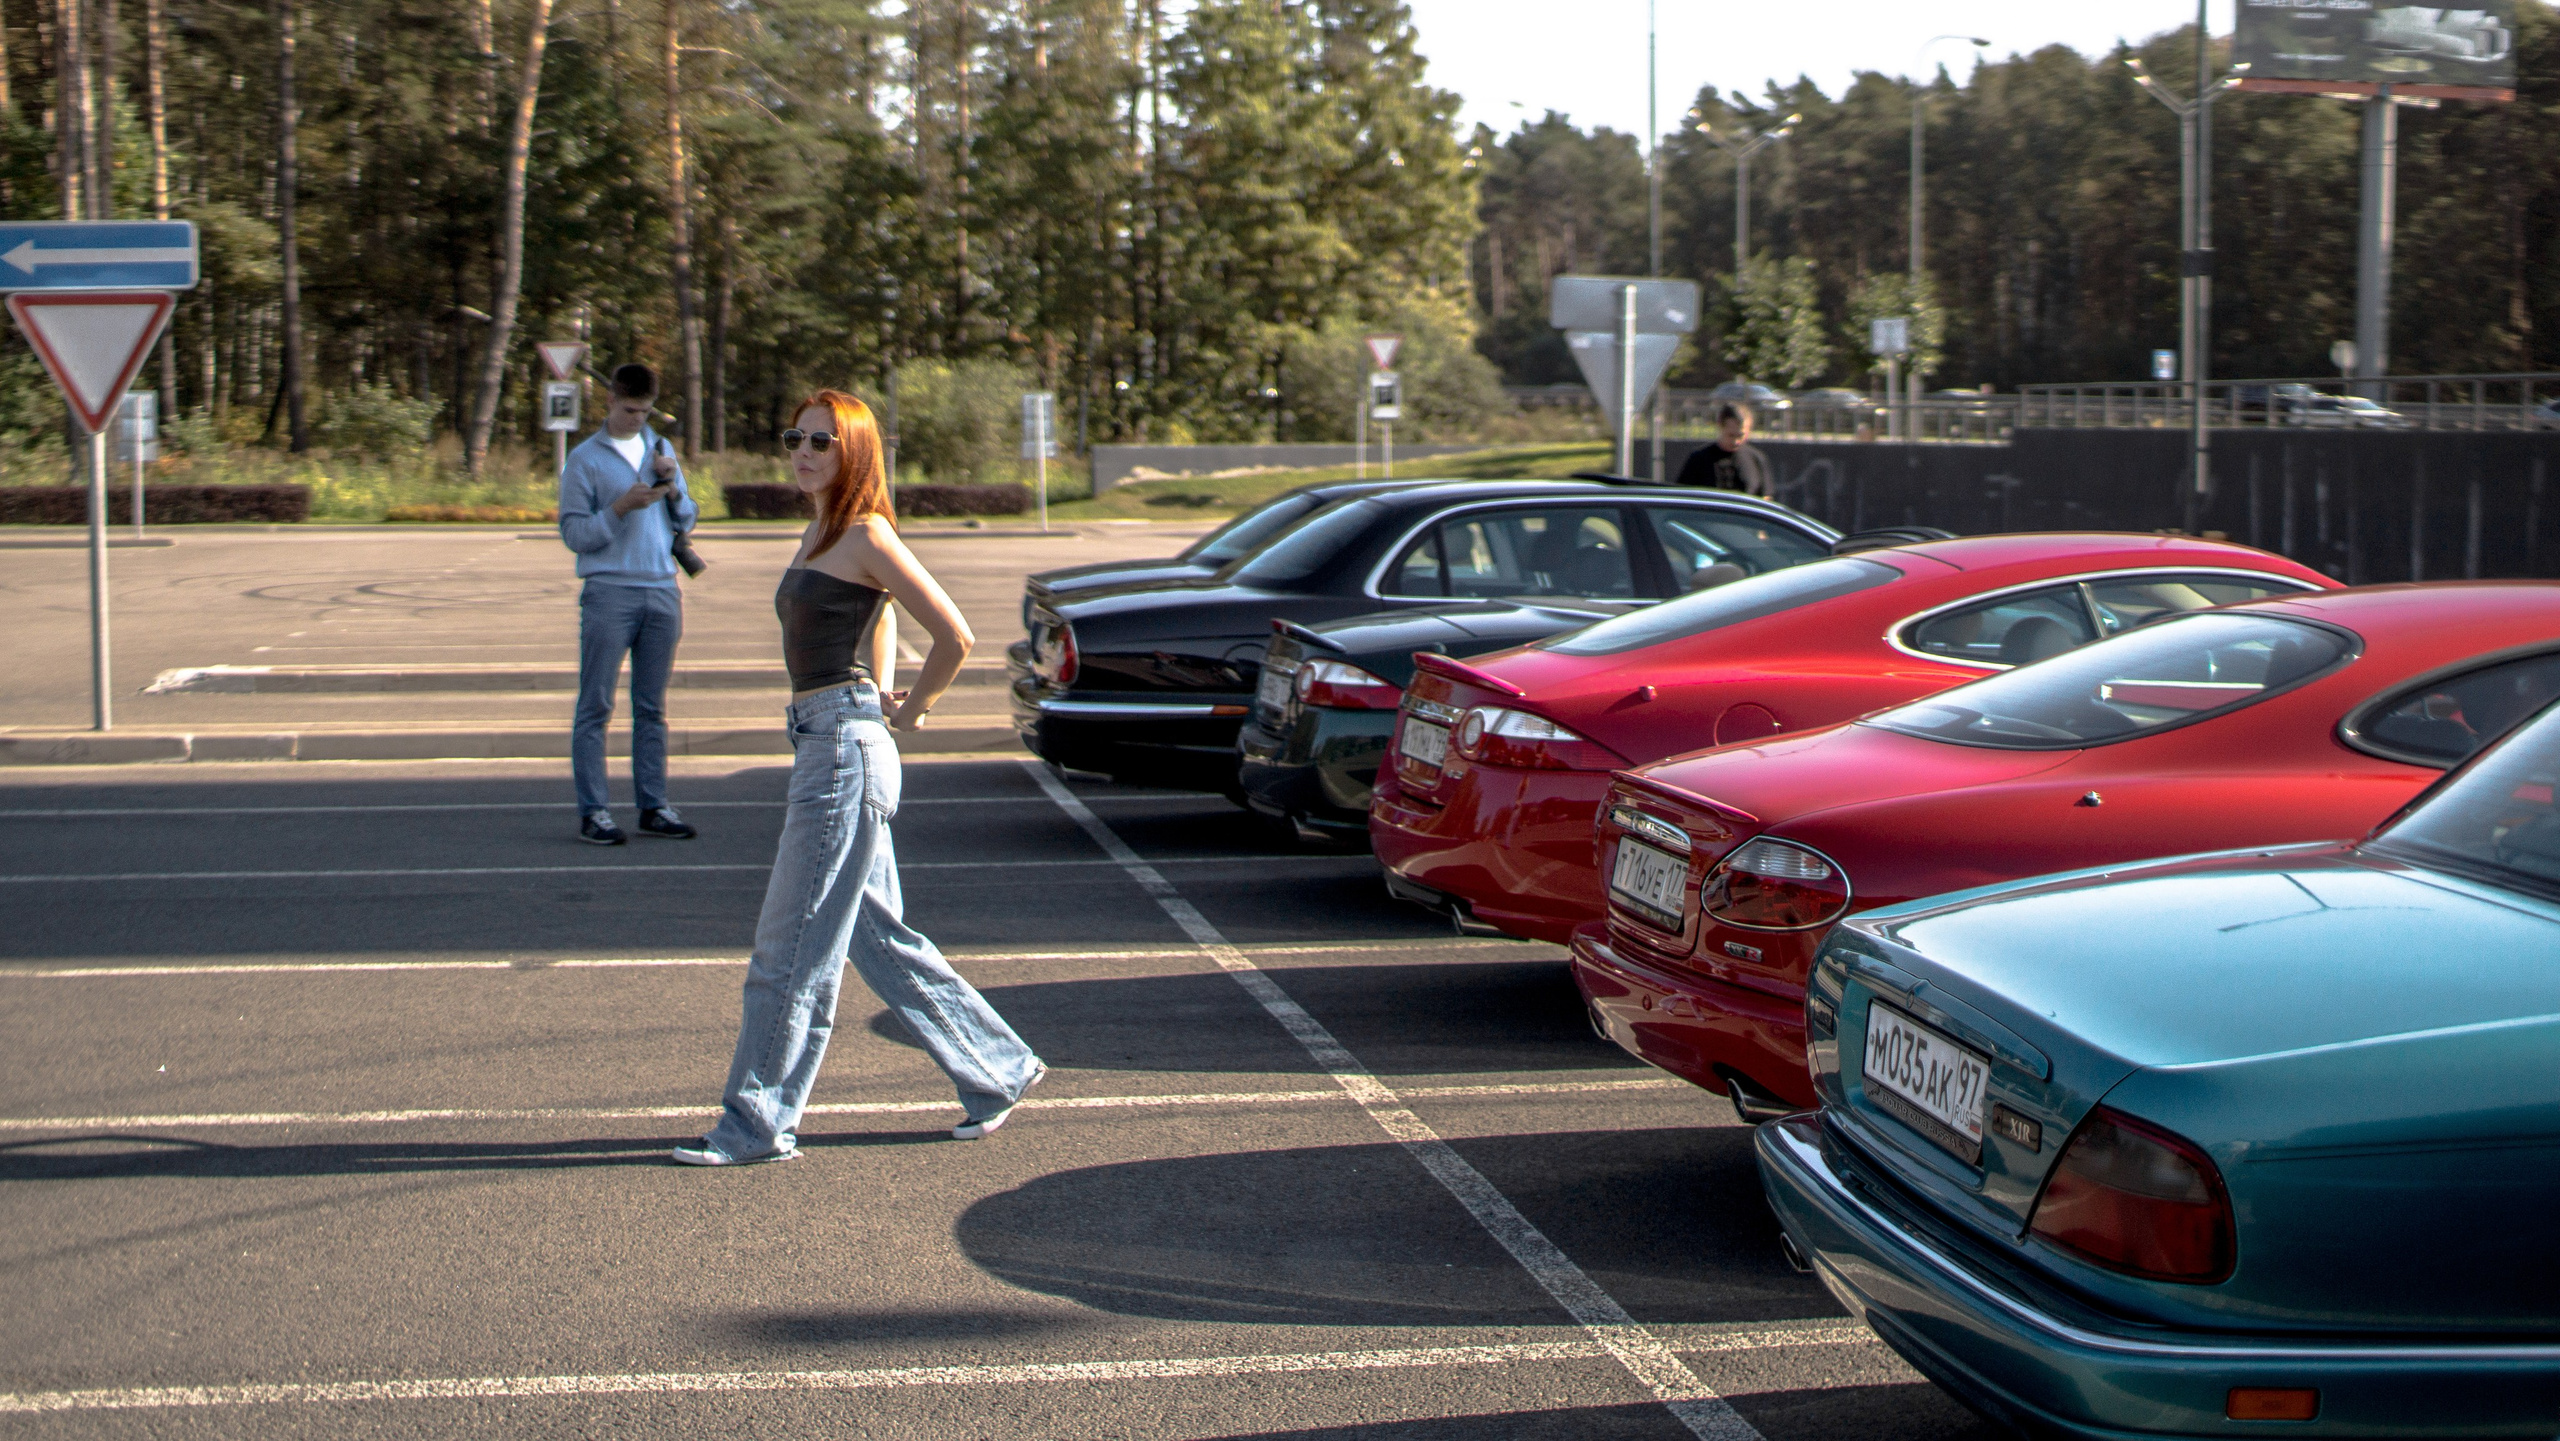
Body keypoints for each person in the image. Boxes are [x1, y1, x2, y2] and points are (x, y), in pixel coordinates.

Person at [674, 388, 1044, 1165]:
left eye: (822, 442)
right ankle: (998, 1068)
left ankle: (755, 1124)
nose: (803, 452)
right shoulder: (820, 531)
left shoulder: (866, 532)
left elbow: (955, 632)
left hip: (842, 752)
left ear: (855, 453)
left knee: (789, 950)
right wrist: (879, 696)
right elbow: (880, 626)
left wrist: (911, 711)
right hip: (830, 739)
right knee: (877, 938)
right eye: (795, 438)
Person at [559, 363, 699, 846]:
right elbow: (575, 533)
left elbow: (688, 516)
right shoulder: (584, 459)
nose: (637, 419)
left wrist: (672, 485)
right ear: (611, 403)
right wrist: (620, 508)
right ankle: (594, 810)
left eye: (644, 411)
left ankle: (653, 804)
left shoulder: (660, 449)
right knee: (596, 704)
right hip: (608, 591)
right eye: (629, 410)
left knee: (651, 707)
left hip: (661, 588)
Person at [1673, 401, 1772, 496]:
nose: (1735, 442)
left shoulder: (1756, 459)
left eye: (1740, 436)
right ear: (1720, 427)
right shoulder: (1699, 459)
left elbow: (1766, 498)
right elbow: (1683, 496)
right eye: (1731, 435)